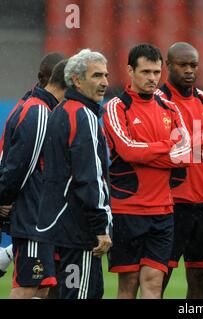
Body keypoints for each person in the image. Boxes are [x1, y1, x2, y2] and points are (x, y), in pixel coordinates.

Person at [103, 43, 191, 299]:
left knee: (153, 283)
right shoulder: (117, 107)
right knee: (128, 284)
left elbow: (186, 155)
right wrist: (167, 148)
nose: (152, 78)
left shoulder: (170, 108)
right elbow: (128, 151)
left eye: (156, 72)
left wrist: (148, 154)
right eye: (145, 72)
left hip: (163, 210)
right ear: (130, 71)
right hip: (128, 210)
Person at [35, 49, 113, 299]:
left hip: (59, 225)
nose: (105, 82)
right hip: (79, 230)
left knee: (68, 293)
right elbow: (89, 176)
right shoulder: (83, 115)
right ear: (77, 80)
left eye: (106, 75)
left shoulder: (60, 111)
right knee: (81, 294)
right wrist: (100, 225)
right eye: (97, 76)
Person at [157, 42, 203, 299]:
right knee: (159, 277)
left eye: (193, 65)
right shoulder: (159, 101)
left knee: (200, 278)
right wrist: (201, 139)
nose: (189, 70)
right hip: (171, 202)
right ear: (168, 66)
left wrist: (184, 142)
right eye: (183, 64)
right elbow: (165, 151)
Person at [0, 60, 67, 298]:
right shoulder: (39, 111)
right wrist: (4, 199)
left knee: (41, 286)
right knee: (27, 285)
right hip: (32, 217)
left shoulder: (36, 107)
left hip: (39, 216)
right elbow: (21, 166)